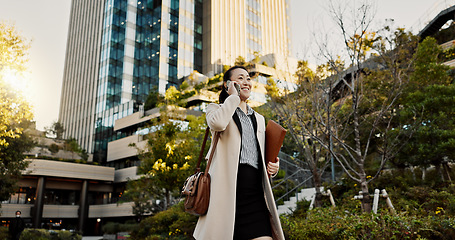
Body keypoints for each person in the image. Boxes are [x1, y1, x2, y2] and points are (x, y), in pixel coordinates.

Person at [193, 66, 285, 240]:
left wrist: (273, 166)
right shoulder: (216, 109)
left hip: (256, 194)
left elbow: (261, 154)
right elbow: (218, 124)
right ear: (228, 84)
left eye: (248, 79)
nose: (246, 82)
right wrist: (233, 97)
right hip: (227, 195)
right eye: (240, 78)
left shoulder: (259, 118)